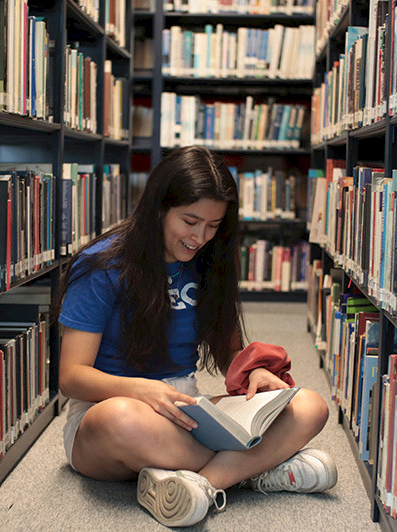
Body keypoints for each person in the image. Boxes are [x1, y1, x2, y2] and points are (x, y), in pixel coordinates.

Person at [56, 146, 337, 527]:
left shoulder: (210, 262)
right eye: (189, 221)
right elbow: (72, 377)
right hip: (110, 409)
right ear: (159, 208)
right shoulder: (102, 266)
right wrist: (141, 391)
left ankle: (202, 485)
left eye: (213, 225)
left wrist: (252, 374)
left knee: (308, 406)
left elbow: (229, 354)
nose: (200, 237)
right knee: (122, 420)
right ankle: (253, 471)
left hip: (189, 411)